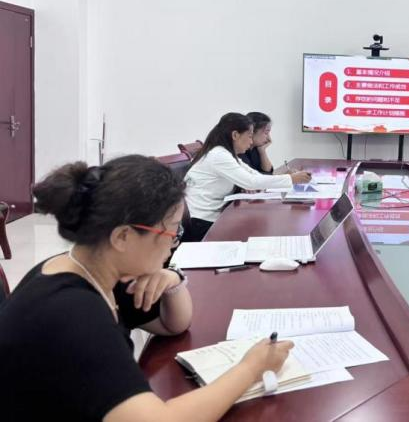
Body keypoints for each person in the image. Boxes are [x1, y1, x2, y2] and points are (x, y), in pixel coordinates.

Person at [0, 155, 294, 420]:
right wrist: (251, 368)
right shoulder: (73, 312)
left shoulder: (97, 269)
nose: (173, 243)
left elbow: (173, 325)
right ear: (123, 237)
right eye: (172, 231)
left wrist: (172, 280)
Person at [184, 113, 311, 242]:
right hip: (203, 224)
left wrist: (288, 177)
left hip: (216, 216)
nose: (251, 142)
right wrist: (291, 179)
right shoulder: (218, 155)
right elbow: (250, 182)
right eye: (249, 136)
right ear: (235, 135)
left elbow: (254, 175)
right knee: (262, 229)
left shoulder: (226, 154)